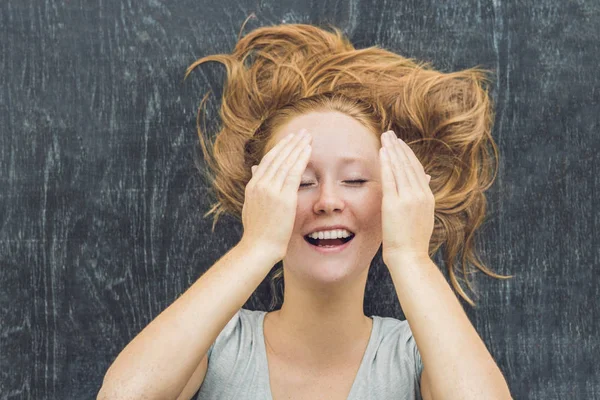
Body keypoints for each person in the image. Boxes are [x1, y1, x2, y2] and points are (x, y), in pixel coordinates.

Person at [98, 19, 513, 400]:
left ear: (395, 200)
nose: (328, 201)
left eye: (354, 181)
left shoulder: (418, 353)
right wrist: (255, 246)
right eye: (299, 182)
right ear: (261, 198)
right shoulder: (216, 344)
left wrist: (411, 256)